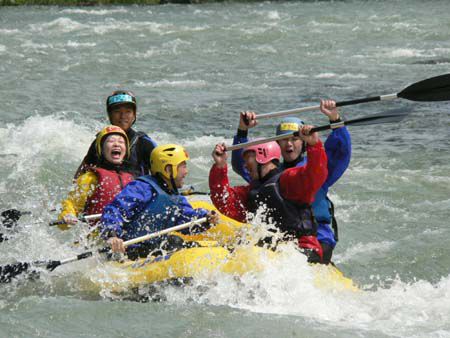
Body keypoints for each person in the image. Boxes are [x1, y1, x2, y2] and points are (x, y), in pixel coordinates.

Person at [230, 100, 351, 264]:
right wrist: (242, 131)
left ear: (303, 142)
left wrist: (335, 119)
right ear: (277, 144)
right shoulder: (270, 172)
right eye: (283, 139)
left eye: (294, 139)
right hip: (282, 237)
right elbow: (244, 164)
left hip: (317, 237)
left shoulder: (315, 167)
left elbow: (340, 151)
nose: (289, 144)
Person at [209, 125, 328, 263]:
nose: (246, 165)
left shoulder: (288, 180)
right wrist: (220, 167)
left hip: (302, 249)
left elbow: (315, 174)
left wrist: (314, 144)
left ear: (262, 156)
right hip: (274, 250)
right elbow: (223, 201)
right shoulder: (251, 192)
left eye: (248, 158)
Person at [100, 144, 219, 259]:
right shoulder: (141, 188)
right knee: (174, 243)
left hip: (155, 246)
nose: (186, 171)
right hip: (132, 249)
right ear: (168, 169)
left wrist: (206, 218)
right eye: (183, 166)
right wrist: (112, 235)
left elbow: (187, 220)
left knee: (175, 241)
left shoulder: (176, 197)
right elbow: (116, 210)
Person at [58, 126, 134, 230]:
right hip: (97, 237)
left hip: (126, 238)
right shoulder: (90, 178)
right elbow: (71, 203)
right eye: (111, 141)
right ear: (101, 149)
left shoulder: (132, 180)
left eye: (121, 142)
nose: (116, 144)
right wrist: (68, 215)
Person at [74, 90, 157, 179]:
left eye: (128, 111)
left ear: (134, 115)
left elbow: (160, 177)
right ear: (110, 115)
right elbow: (79, 176)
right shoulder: (99, 142)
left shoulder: (144, 143)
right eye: (117, 111)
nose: (123, 116)